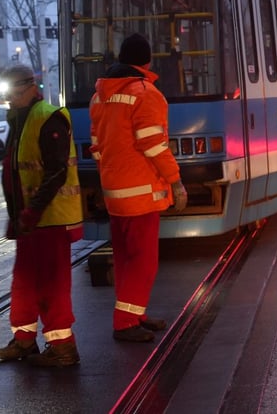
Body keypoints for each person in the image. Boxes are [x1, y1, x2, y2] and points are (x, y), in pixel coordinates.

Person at [89, 33, 188, 343]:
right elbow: (154, 145)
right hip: (141, 192)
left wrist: (109, 178)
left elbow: (96, 146)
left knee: (125, 258)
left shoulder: (99, 96)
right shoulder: (145, 93)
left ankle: (136, 314)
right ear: (147, 62)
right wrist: (176, 182)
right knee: (143, 261)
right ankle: (125, 323)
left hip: (115, 192)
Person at [0, 64, 85, 367]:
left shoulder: (47, 117)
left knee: (51, 284)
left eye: (15, 94)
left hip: (50, 217)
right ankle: (23, 339)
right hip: (30, 218)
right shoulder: (20, 119)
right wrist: (18, 215)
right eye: (8, 95)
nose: (11, 100)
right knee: (24, 281)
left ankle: (63, 348)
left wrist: (32, 212)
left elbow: (56, 172)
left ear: (31, 87)